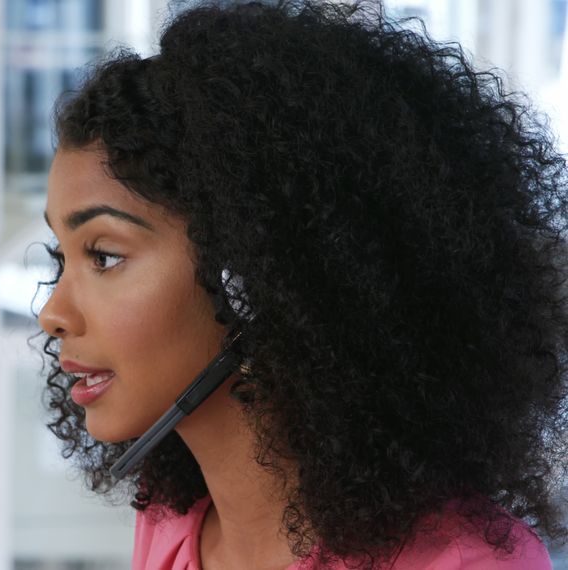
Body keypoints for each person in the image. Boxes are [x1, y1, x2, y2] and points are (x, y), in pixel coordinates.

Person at [35, 1, 568, 569]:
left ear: (249, 276)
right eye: (60, 257)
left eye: (105, 256)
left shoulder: (460, 564)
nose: (53, 312)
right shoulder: (172, 522)